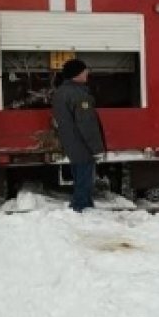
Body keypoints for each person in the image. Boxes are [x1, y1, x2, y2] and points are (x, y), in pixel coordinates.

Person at [51, 58, 106, 211]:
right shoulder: (79, 95)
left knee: (79, 177)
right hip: (81, 143)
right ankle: (81, 207)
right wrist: (97, 148)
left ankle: (85, 206)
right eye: (84, 70)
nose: (87, 72)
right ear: (77, 74)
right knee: (84, 179)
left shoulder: (60, 92)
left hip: (70, 142)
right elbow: (87, 124)